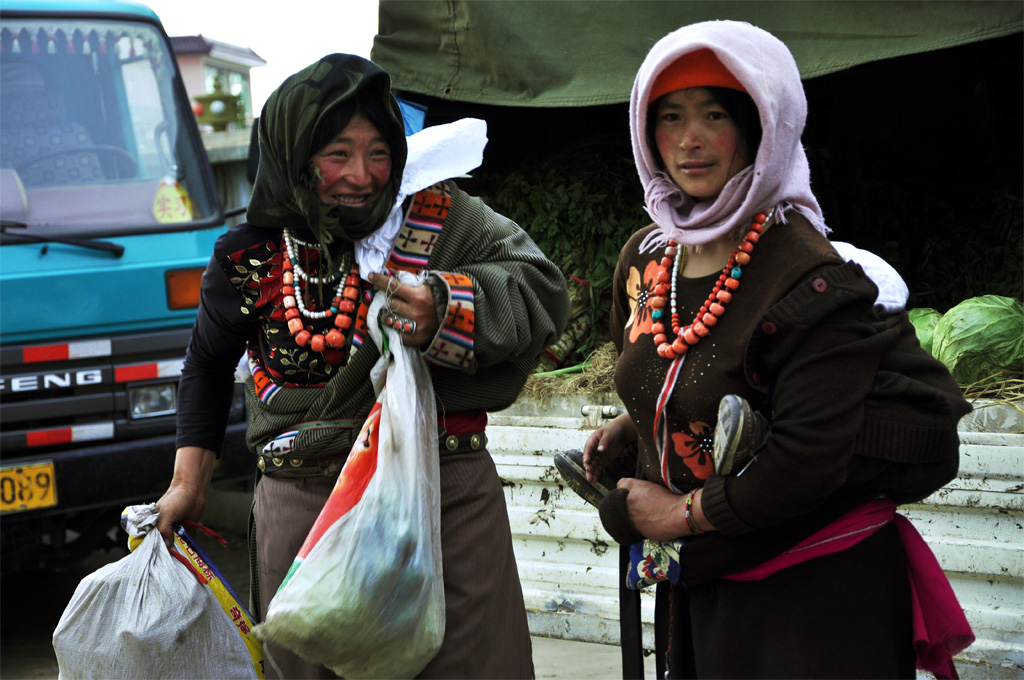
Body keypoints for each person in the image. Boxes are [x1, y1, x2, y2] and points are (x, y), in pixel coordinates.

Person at [574, 21, 974, 679]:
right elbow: (684, 365)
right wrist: (642, 422)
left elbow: (807, 456)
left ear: (763, 129)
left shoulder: (808, 276)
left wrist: (677, 513)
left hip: (810, 600)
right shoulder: (646, 258)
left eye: (714, 115)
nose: (689, 139)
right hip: (703, 584)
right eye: (669, 117)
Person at [154, 53, 570, 679]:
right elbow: (208, 364)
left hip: (443, 501)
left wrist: (447, 305)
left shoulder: (447, 218)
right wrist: (189, 484)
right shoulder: (250, 258)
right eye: (337, 154)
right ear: (296, 155)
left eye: (380, 152)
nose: (363, 175)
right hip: (305, 512)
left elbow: (542, 289)